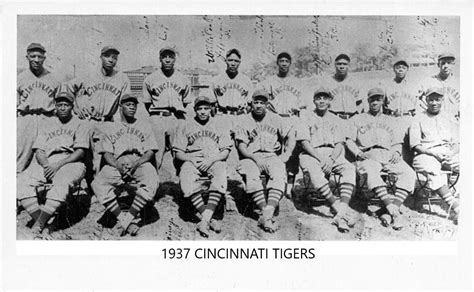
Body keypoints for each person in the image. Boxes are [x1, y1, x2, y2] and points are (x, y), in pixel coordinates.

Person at [17, 90, 89, 239]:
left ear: (71, 106)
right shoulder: (47, 123)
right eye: (59, 104)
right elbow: (39, 150)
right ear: (55, 106)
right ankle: (45, 222)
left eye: (66, 104)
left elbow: (80, 152)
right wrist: (46, 165)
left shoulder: (80, 124)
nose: (62, 107)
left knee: (61, 183)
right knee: (21, 181)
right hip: (48, 162)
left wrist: (58, 165)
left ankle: (38, 225)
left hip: (71, 162)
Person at [346, 87, 415, 230]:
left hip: (388, 154)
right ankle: (393, 212)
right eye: (372, 99)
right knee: (371, 171)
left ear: (383, 101)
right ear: (368, 100)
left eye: (378, 99)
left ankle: (389, 211)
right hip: (369, 154)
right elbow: (349, 141)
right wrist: (358, 153)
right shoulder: (358, 119)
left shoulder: (391, 120)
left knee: (409, 173)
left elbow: (397, 142)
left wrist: (396, 152)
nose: (375, 102)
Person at [91, 94, 159, 236]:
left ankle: (126, 219)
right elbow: (106, 153)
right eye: (128, 104)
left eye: (134, 105)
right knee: (98, 183)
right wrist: (117, 165)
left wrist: (137, 163)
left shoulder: (144, 125)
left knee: (152, 179)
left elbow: (150, 150)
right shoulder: (110, 127)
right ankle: (124, 219)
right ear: (120, 107)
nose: (132, 107)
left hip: (139, 162)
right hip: (117, 163)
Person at [235, 89, 295, 233]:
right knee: (251, 174)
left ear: (267, 104)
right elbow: (241, 146)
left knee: (280, 173)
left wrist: (287, 153)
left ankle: (266, 214)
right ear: (252, 103)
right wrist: (253, 157)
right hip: (250, 156)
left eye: (262, 103)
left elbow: (291, 134)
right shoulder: (244, 120)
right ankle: (266, 213)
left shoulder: (276, 118)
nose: (259, 106)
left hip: (270, 155)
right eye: (256, 102)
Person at [297, 87, 356, 232]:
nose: (322, 101)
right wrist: (321, 158)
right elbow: (304, 142)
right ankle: (336, 207)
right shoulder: (305, 117)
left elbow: (339, 144)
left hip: (332, 154)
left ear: (330, 101)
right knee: (314, 171)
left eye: (325, 98)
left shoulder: (336, 119)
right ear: (314, 101)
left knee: (349, 168)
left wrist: (330, 159)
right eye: (318, 98)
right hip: (311, 153)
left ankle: (342, 209)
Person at [173, 96, 232, 237]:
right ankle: (209, 217)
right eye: (199, 109)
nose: (203, 112)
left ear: (211, 108)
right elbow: (178, 153)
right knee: (186, 176)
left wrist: (212, 159)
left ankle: (204, 220)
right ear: (195, 110)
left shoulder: (220, 125)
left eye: (206, 108)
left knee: (220, 174)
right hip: (192, 159)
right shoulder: (186, 125)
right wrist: (190, 158)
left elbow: (225, 151)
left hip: (214, 159)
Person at [68, 45, 131, 179]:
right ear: (101, 57)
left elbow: (125, 103)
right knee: (86, 156)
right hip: (88, 121)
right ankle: (91, 190)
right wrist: (76, 107)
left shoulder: (122, 78)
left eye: (114, 57)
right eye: (107, 56)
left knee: (103, 157)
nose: (110, 60)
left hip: (107, 122)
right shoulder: (89, 75)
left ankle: (100, 190)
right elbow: (67, 88)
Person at [258, 52, 305, 198]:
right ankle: (272, 185)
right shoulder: (269, 81)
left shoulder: (297, 82)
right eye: (281, 61)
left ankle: (289, 188)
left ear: (290, 63)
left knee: (293, 153)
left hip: (292, 119)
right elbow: (259, 97)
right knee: (274, 150)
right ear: (277, 63)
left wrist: (299, 107)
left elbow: (304, 102)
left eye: (287, 61)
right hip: (275, 119)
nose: (284, 63)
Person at [409, 87, 459, 222]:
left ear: (442, 100)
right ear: (426, 100)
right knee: (433, 170)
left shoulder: (449, 117)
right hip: (427, 153)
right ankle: (456, 207)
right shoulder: (418, 118)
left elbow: (458, 142)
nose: (434, 103)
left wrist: (451, 153)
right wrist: (433, 153)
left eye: (437, 99)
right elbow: (415, 145)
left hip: (447, 152)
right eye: (431, 100)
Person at [142, 46, 190, 170]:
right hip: (157, 118)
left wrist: (176, 114)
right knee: (155, 154)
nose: (167, 60)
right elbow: (147, 102)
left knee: (179, 152)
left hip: (177, 118)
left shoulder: (183, 78)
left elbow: (185, 101)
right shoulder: (150, 78)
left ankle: (183, 184)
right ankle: (152, 185)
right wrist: (157, 116)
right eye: (164, 57)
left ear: (175, 59)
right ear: (160, 59)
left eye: (171, 57)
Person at [17, 42, 60, 173]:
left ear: (44, 58)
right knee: (21, 155)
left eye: (39, 57)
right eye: (33, 56)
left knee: (46, 154)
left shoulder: (53, 78)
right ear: (27, 57)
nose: (36, 60)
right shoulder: (20, 78)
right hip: (26, 118)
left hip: (46, 118)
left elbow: (59, 103)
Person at [212, 48, 253, 130]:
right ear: (225, 61)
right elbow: (211, 103)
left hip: (240, 116)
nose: (233, 63)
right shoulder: (216, 80)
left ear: (239, 63)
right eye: (230, 60)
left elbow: (250, 104)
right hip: (222, 116)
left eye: (236, 61)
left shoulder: (246, 80)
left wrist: (244, 115)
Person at [319, 53, 363, 119]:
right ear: (335, 65)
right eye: (339, 64)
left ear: (349, 66)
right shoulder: (327, 82)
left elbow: (360, 103)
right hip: (333, 117)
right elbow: (321, 103)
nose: (342, 66)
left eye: (345, 64)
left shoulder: (356, 82)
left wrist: (357, 116)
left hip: (352, 118)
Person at [418, 52, 459, 120]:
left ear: (453, 64)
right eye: (443, 63)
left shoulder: (458, 83)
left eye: (449, 63)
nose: (446, 66)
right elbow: (419, 103)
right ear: (438, 65)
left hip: (453, 120)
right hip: (434, 121)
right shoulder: (429, 82)